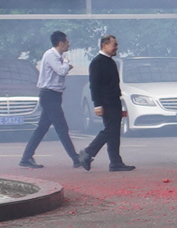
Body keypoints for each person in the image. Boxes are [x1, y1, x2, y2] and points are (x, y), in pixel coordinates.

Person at [19, 30, 77, 169]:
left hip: (54, 95)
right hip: (49, 95)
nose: (69, 44)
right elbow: (61, 71)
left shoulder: (59, 56)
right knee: (62, 127)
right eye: (67, 42)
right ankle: (76, 158)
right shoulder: (51, 55)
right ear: (61, 42)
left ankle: (26, 157)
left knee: (42, 128)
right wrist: (67, 64)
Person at [78, 32, 134, 171]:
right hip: (106, 102)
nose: (117, 47)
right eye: (114, 45)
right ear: (105, 45)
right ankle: (88, 152)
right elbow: (94, 85)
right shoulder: (98, 62)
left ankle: (115, 162)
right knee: (110, 130)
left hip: (114, 101)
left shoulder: (109, 61)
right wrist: (97, 104)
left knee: (114, 132)